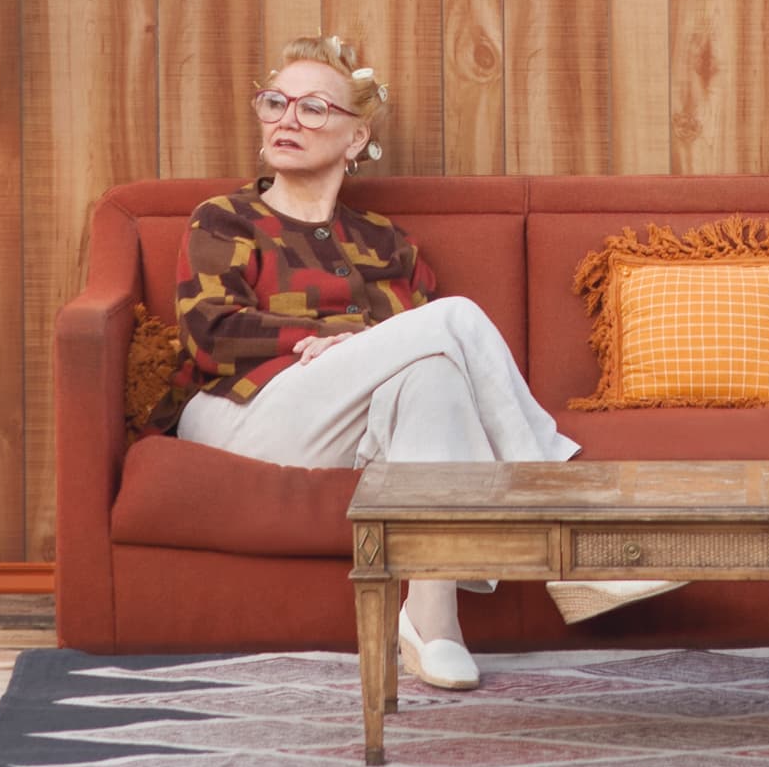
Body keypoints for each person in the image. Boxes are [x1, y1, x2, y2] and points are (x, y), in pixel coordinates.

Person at [152, 35, 674, 691]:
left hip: (348, 428)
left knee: (434, 374)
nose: (287, 118)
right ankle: (574, 528)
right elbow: (211, 332)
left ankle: (431, 623)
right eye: (276, 101)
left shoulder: (384, 242)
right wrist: (331, 336)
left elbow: (422, 353)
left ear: (355, 136)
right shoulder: (227, 219)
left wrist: (357, 349)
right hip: (240, 413)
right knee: (453, 319)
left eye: (313, 108)